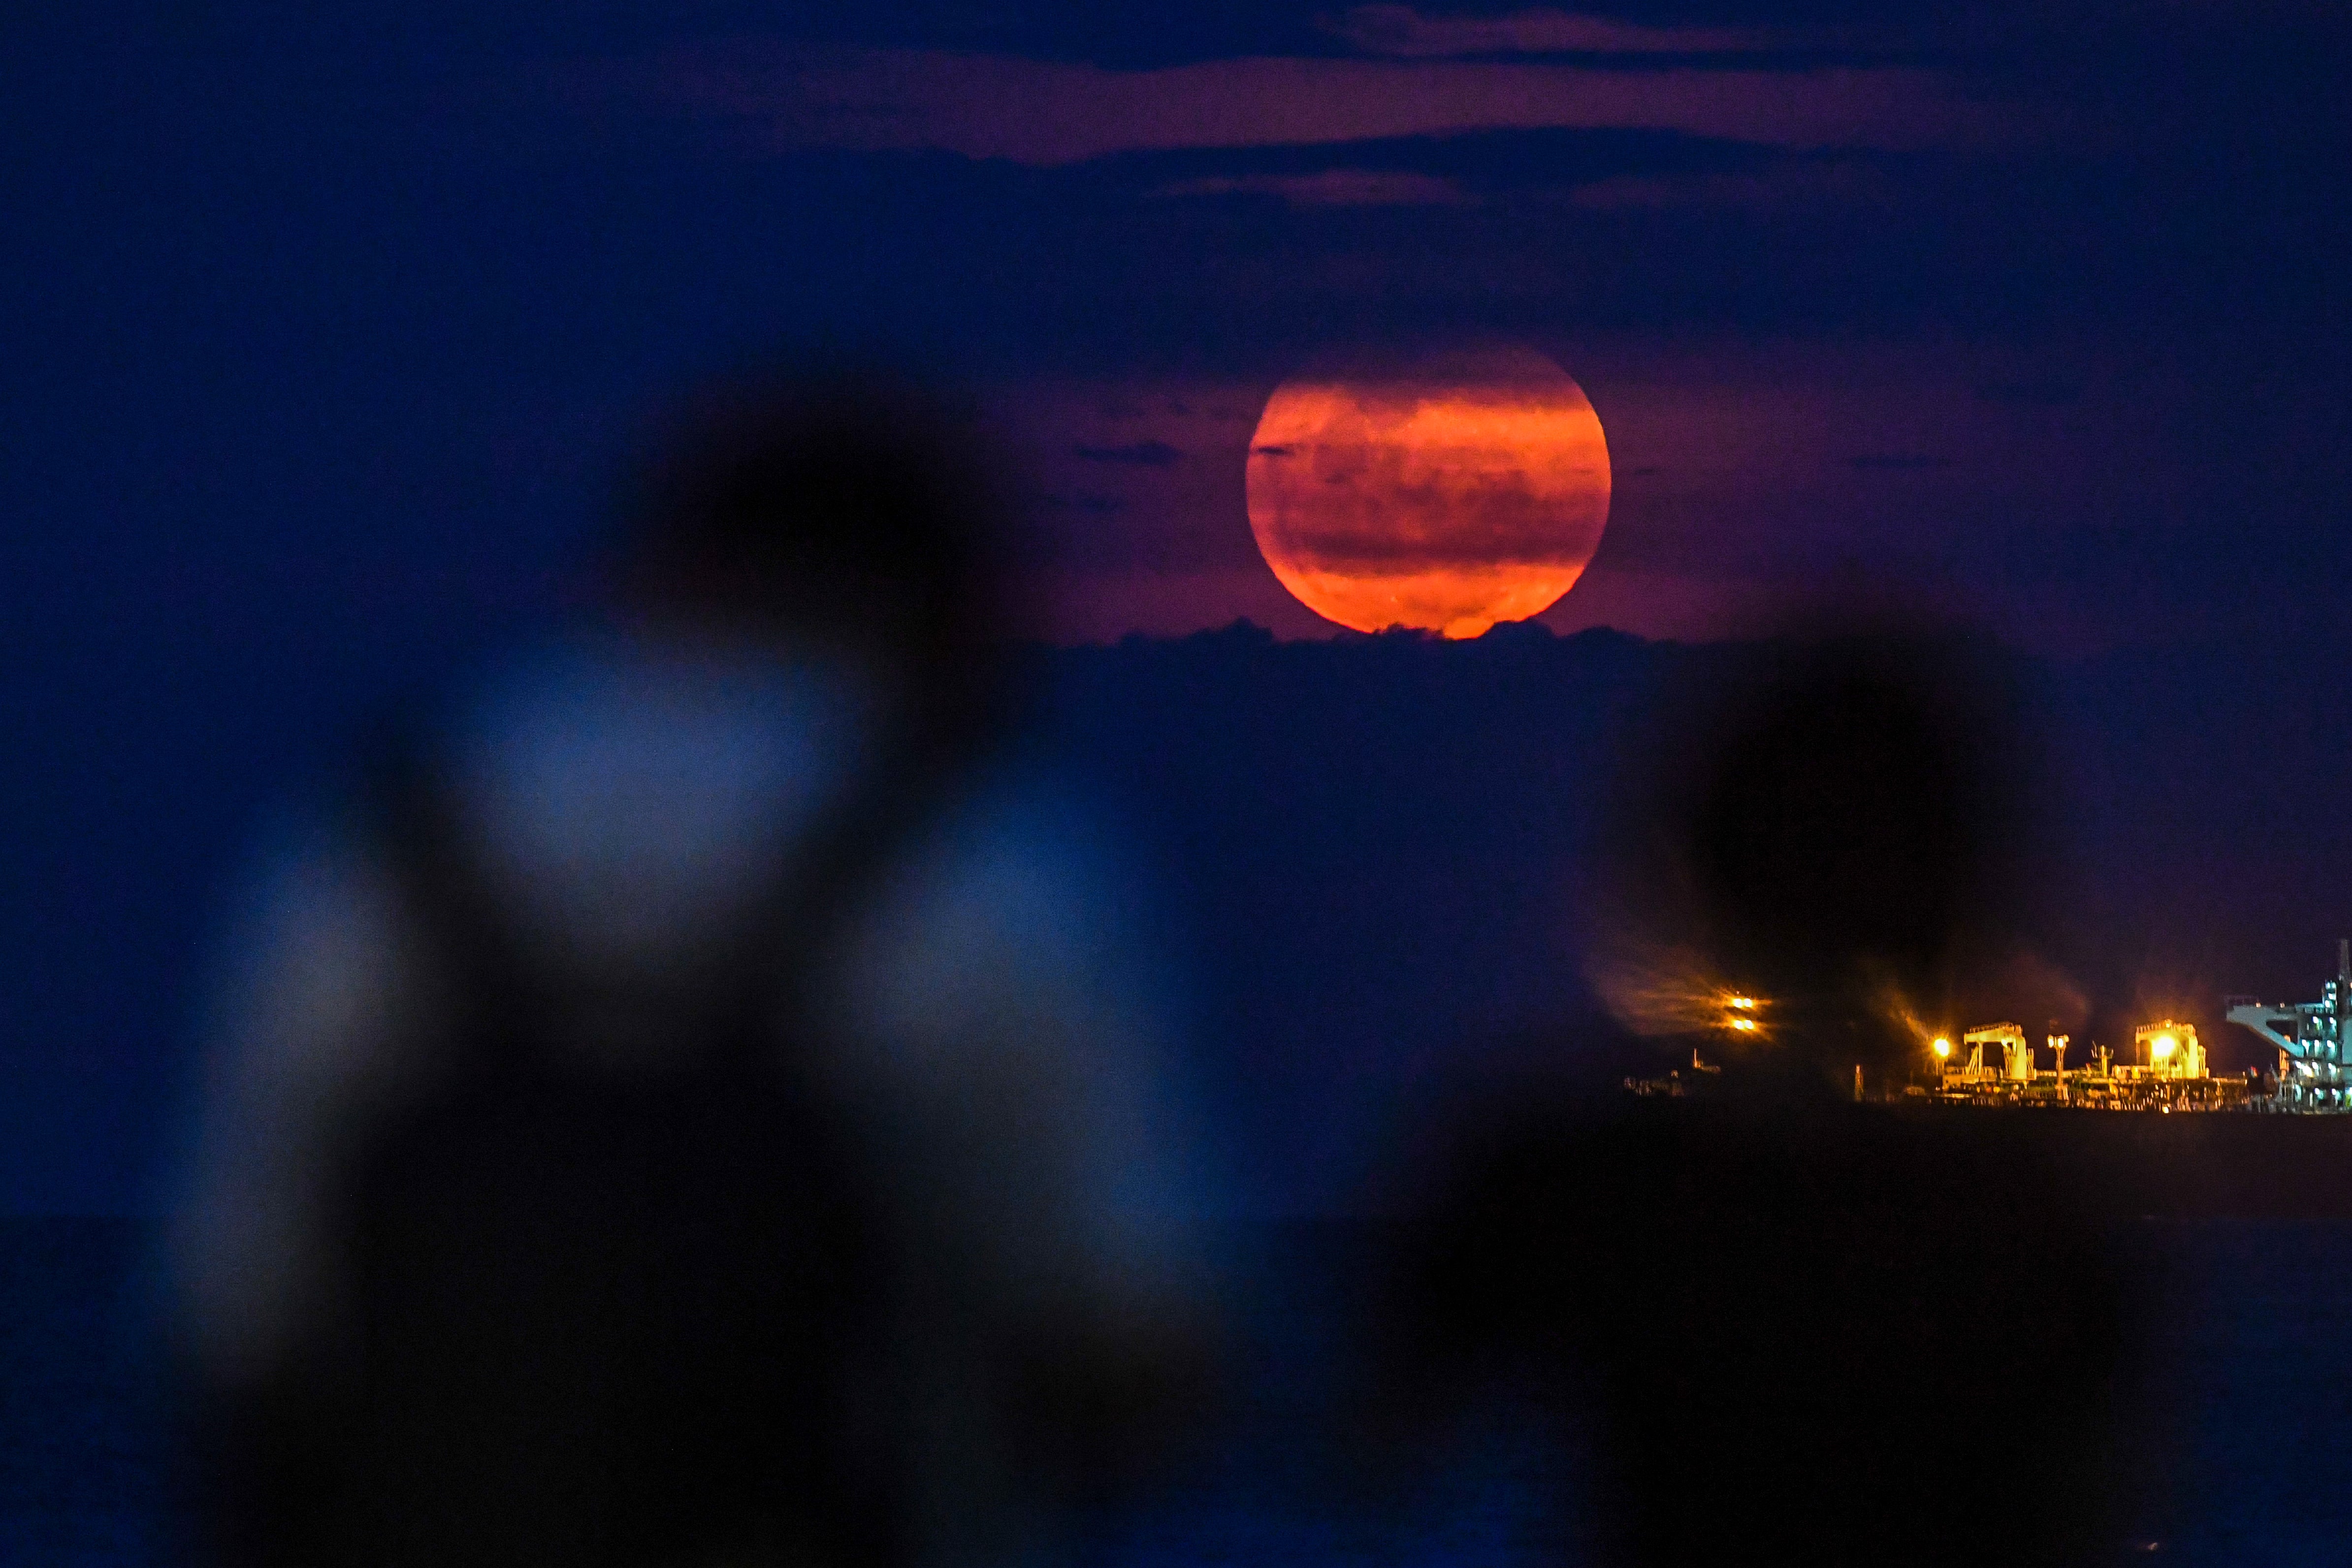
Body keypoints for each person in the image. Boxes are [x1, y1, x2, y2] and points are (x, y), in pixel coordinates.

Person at [165, 371, 1222, 1568]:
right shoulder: (990, 870)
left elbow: (234, 1340)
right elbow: (1146, 1351)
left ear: (657, 577)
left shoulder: (365, 851)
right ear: (950, 624)